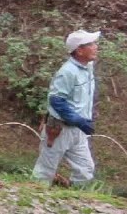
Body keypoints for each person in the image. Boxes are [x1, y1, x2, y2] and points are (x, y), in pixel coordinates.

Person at [32, 30, 100, 188]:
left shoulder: (88, 68)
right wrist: (77, 119)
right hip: (59, 130)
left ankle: (74, 202)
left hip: (78, 131)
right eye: (90, 44)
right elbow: (56, 100)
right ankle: (34, 200)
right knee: (45, 171)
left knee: (86, 171)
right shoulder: (67, 72)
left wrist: (86, 117)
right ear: (79, 50)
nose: (95, 47)